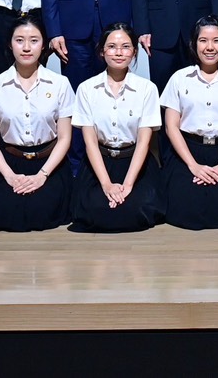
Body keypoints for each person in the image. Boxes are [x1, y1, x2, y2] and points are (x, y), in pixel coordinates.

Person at [0, 13, 75, 232]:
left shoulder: (60, 84)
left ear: (43, 45)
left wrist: (42, 175)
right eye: (19, 40)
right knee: (4, 213)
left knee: (42, 210)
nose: (26, 48)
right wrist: (9, 176)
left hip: (49, 163)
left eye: (34, 40)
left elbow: (64, 138)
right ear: (10, 44)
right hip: (9, 162)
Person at [159, 16, 218, 230]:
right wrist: (193, 166)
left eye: (216, 41)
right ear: (194, 44)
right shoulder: (179, 78)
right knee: (184, 209)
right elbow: (171, 127)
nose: (210, 47)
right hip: (187, 153)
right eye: (203, 40)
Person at [70, 24, 164, 233]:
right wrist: (107, 185)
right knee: (94, 211)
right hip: (99, 163)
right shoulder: (86, 89)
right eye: (112, 46)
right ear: (102, 51)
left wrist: (127, 185)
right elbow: (90, 143)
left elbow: (144, 143)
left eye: (126, 47)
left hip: (135, 163)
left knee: (135, 210)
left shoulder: (147, 89)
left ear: (134, 52)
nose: (119, 52)